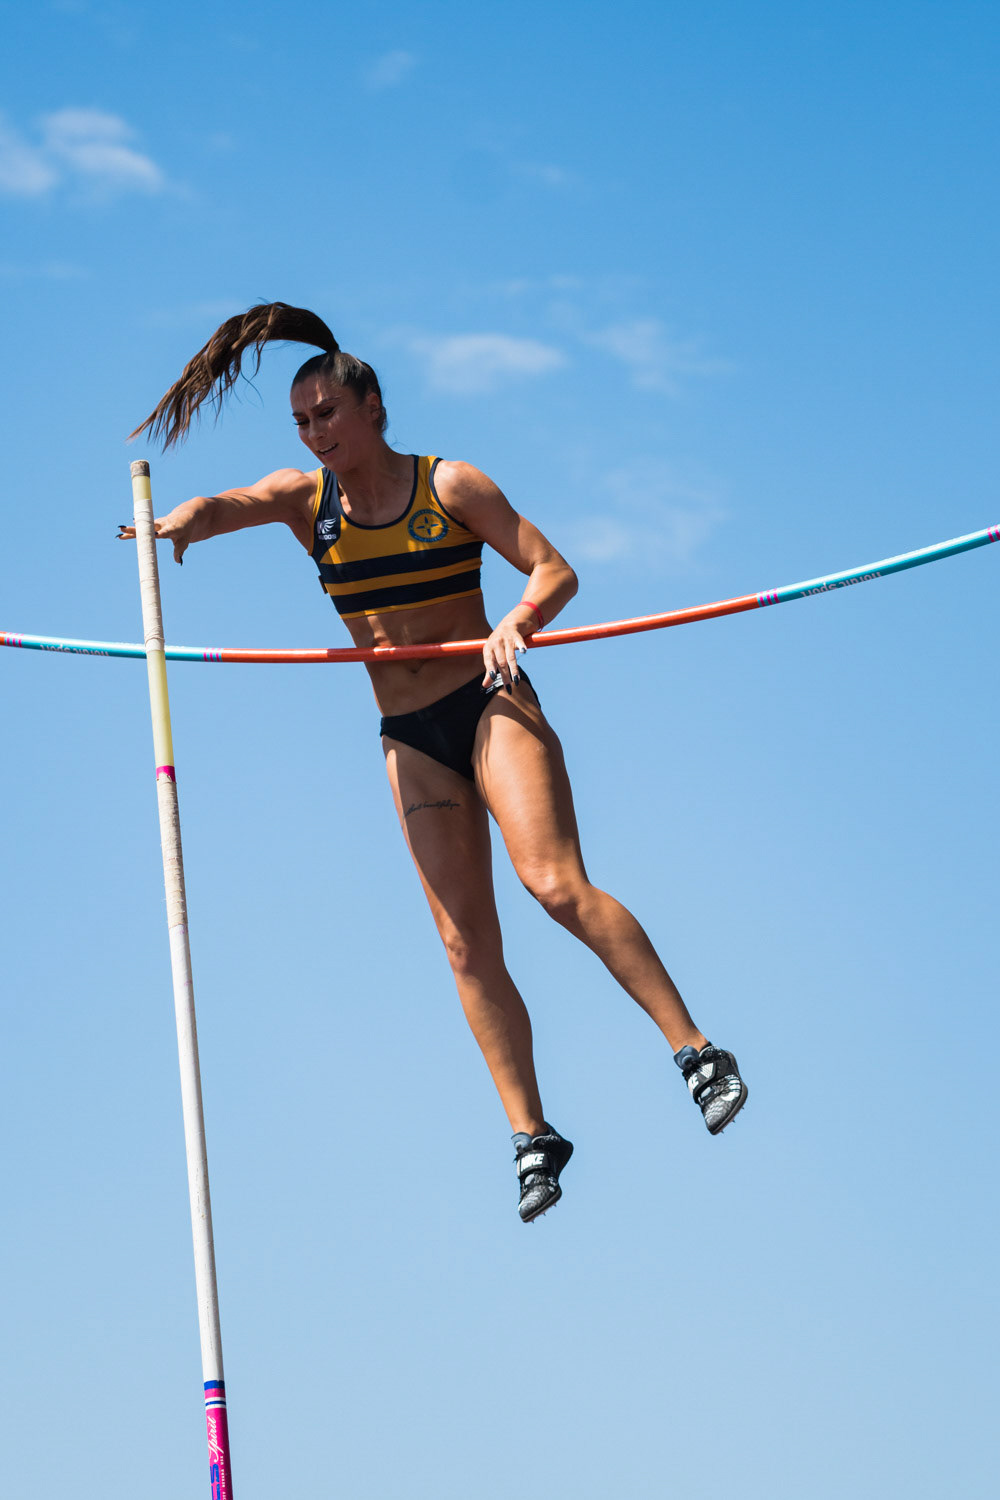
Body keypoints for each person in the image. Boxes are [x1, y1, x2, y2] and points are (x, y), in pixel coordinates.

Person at [121, 302, 747, 1224]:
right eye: (301, 421)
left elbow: (553, 568)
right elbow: (230, 505)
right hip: (409, 736)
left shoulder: (448, 486)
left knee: (553, 886)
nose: (315, 433)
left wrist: (515, 622)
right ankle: (533, 1135)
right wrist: (180, 520)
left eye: (326, 413)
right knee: (463, 944)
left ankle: (697, 1051)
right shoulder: (310, 502)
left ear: (372, 408)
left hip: (490, 703)